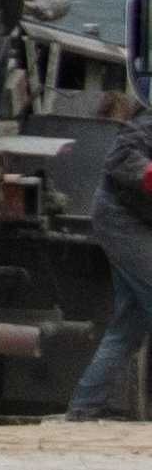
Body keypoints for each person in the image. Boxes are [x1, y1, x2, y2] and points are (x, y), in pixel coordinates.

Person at [65, 105, 152, 421]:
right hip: (121, 217)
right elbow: (122, 158)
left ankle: (84, 407)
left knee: (130, 325)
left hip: (140, 218)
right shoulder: (148, 120)